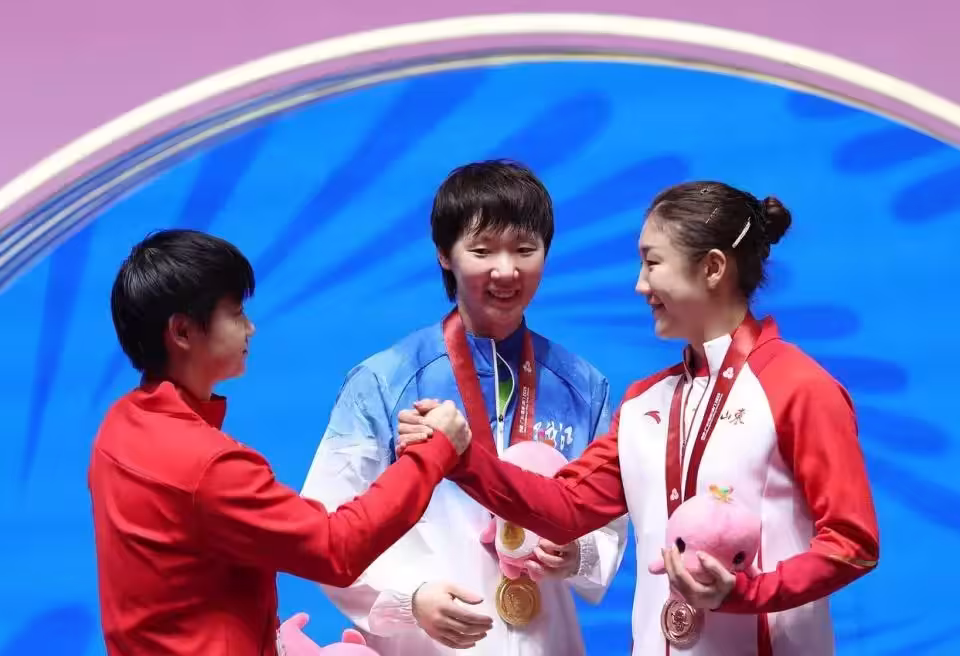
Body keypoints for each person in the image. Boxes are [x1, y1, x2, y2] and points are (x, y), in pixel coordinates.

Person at [399, 181, 880, 655]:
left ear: (713, 268)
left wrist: (746, 593)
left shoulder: (800, 387)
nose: (640, 284)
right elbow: (563, 508)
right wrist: (461, 458)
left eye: (652, 263)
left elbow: (851, 542)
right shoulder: (643, 404)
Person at [88, 229, 470, 656]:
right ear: (182, 332)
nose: (250, 328)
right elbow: (336, 547)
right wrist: (433, 453)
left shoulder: (117, 429)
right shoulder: (210, 466)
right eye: (236, 314)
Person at [301, 160, 628, 656]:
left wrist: (576, 553)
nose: (506, 270)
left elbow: (607, 525)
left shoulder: (582, 386)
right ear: (444, 254)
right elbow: (327, 524)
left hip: (547, 640)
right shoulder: (384, 381)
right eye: (482, 250)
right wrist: (409, 599)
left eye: (525, 250)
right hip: (424, 643)